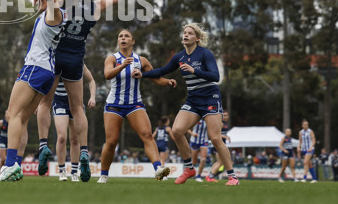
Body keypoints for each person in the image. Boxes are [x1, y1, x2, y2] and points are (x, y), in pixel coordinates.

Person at [35, 0, 121, 182]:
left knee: (44, 102)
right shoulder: (94, 8)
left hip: (55, 56)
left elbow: (45, 6)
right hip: (76, 59)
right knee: (78, 109)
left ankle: (43, 144)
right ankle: (83, 151)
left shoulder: (64, 5)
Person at [0, 0, 68, 182]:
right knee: (22, 118)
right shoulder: (52, 14)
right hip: (44, 71)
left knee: (11, 114)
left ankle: (11, 164)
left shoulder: (55, 12)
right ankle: (14, 167)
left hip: (35, 69)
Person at [141, 23, 240, 186]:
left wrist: (195, 71)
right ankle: (189, 169)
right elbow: (161, 71)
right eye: (184, 33)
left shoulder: (205, 54)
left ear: (197, 38)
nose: (185, 35)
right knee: (177, 130)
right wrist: (142, 74)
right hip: (193, 100)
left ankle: (232, 177)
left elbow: (215, 76)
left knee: (215, 138)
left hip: (210, 98)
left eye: (189, 33)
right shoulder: (179, 57)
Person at [97, 29, 175, 184]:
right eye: (120, 36)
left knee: (147, 135)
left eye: (126, 36)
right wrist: (122, 65)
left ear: (133, 41)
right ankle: (104, 175)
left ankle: (158, 169)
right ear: (118, 41)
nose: (123, 38)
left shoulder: (142, 60)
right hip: (114, 105)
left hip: (135, 104)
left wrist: (168, 82)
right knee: (111, 142)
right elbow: (107, 75)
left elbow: (155, 78)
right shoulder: (112, 58)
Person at [53, 65, 96, 182]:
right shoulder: (56, 60)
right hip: (59, 102)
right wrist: (41, 103)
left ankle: (74, 172)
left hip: (76, 103)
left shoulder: (77, 61)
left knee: (75, 140)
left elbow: (91, 80)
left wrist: (92, 97)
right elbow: (45, 82)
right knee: (61, 137)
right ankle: (62, 171)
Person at [205, 110, 231, 182]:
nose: (226, 117)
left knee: (219, 162)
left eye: (227, 115)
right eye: (224, 115)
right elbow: (215, 134)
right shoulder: (221, 123)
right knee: (220, 162)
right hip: (218, 145)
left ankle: (210, 176)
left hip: (221, 145)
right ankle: (210, 176)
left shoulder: (225, 124)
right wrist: (225, 136)